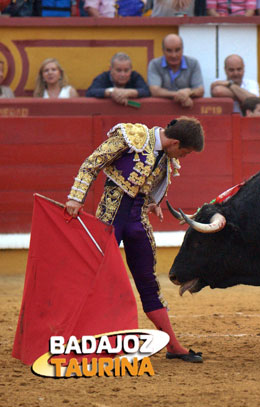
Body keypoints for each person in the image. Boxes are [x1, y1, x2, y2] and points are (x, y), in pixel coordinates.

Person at [65, 116, 205, 363]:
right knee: (94, 279)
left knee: (148, 282)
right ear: (174, 142)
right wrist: (76, 197)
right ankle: (71, 339)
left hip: (137, 221)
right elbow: (92, 164)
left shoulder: (165, 157)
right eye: (184, 152)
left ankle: (172, 345)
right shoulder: (133, 137)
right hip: (110, 219)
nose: (183, 158)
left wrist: (153, 203)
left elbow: (147, 184)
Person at [148, 34, 204, 108]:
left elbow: (200, 90)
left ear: (182, 49)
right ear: (163, 51)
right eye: (169, 51)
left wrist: (189, 92)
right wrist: (182, 95)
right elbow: (155, 91)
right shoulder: (155, 64)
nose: (174, 55)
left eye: (177, 50)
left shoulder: (193, 63)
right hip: (161, 110)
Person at [86, 52, 150, 106]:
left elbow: (146, 92)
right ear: (111, 70)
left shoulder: (135, 76)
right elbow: (90, 93)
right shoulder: (103, 77)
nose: (123, 75)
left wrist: (128, 92)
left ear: (131, 69)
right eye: (118, 70)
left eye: (126, 70)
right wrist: (112, 92)